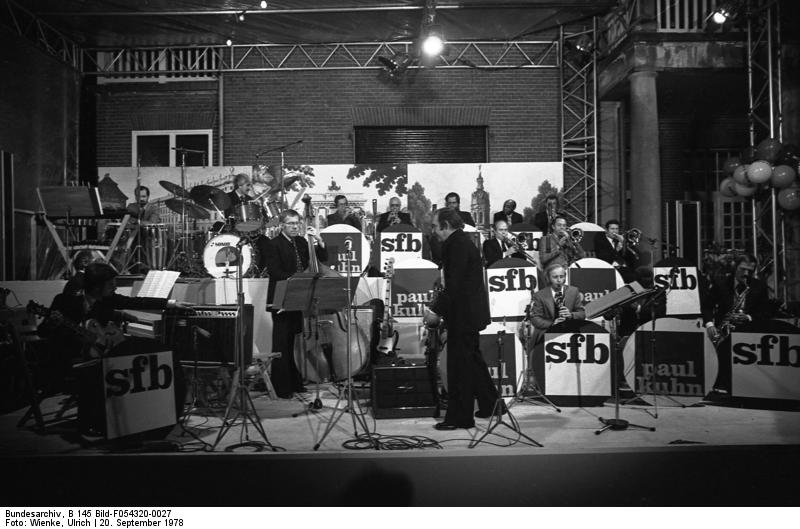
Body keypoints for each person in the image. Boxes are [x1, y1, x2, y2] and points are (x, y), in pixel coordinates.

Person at [428, 207, 501, 430]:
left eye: (434, 225)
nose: (433, 230)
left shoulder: (455, 245)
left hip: (463, 315)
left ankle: (460, 418)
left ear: (446, 225)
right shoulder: (461, 242)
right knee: (473, 361)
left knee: (459, 367)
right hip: (468, 313)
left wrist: (435, 310)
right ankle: (492, 405)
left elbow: (454, 285)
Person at [256, 209, 328, 398]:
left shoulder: (302, 242)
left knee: (294, 343)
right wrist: (297, 279)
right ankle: (282, 387)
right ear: (282, 225)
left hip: (298, 297)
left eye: (297, 223)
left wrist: (319, 242)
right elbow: (275, 272)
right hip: (280, 298)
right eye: (291, 224)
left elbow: (322, 259)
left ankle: (295, 382)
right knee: (281, 343)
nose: (295, 227)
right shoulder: (274, 244)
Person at [701, 253, 772, 394]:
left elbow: (766, 312)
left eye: (750, 271)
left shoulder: (759, 286)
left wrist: (749, 317)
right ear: (735, 267)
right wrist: (709, 325)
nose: (746, 274)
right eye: (743, 269)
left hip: (750, 332)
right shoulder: (721, 283)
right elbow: (706, 306)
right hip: (724, 331)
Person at [524, 262, 586, 347]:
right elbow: (535, 318)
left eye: (562, 276)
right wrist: (552, 324)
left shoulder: (574, 291)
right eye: (555, 277)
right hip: (547, 334)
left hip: (570, 334)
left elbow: (582, 314)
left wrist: (571, 315)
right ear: (548, 279)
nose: (559, 280)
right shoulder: (539, 295)